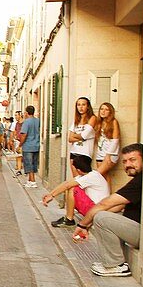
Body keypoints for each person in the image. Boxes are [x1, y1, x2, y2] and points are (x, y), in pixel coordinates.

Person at [75, 144, 143, 277]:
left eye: (133, 160)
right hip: (136, 230)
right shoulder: (139, 180)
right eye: (124, 161)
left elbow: (105, 203)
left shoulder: (140, 181)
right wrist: (88, 224)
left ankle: (116, 265)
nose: (128, 164)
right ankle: (114, 262)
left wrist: (82, 224)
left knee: (101, 217)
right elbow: (116, 206)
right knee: (104, 215)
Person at [53, 97, 100, 228]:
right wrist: (77, 137)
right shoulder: (76, 121)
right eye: (78, 105)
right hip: (74, 153)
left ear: (88, 106)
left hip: (84, 155)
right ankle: (70, 215)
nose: (81, 107)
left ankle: (86, 213)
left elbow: (84, 136)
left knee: (82, 184)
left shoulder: (93, 119)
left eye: (83, 105)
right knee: (76, 184)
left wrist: (77, 137)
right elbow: (69, 138)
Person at [41, 154, 109, 241]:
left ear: (78, 169)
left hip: (95, 211)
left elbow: (68, 186)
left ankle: (69, 219)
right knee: (71, 187)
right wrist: (50, 194)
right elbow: (66, 183)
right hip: (95, 208)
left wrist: (52, 196)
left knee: (73, 189)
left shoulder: (91, 176)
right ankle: (68, 217)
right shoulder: (88, 175)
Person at [93, 102, 121, 177]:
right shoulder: (99, 123)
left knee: (97, 175)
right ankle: (107, 189)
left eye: (106, 109)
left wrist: (108, 155)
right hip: (100, 154)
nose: (103, 111)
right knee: (103, 177)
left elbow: (115, 140)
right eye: (101, 109)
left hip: (110, 154)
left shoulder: (114, 122)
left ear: (110, 112)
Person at [19, 105, 41, 188]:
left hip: (28, 145)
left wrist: (20, 144)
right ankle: (29, 181)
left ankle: (33, 181)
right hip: (36, 144)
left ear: (26, 113)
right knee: (34, 163)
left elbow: (24, 134)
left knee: (28, 164)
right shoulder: (38, 120)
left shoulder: (26, 122)